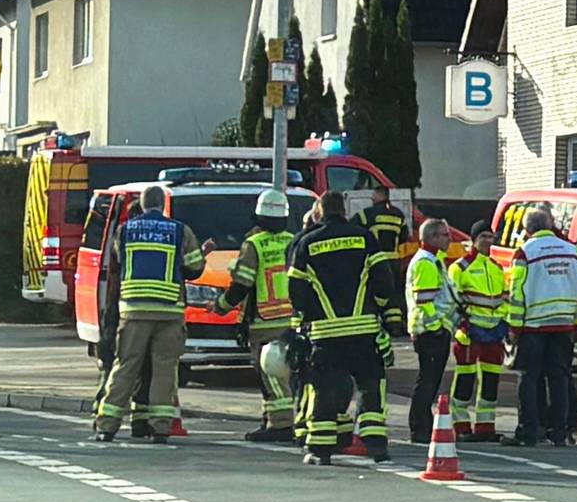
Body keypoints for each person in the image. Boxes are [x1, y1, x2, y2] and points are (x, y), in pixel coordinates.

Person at [284, 192, 394, 465]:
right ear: (343, 209)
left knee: (325, 388)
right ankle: (376, 445)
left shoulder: (307, 243)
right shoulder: (365, 238)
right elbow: (384, 280)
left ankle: (320, 450)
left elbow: (296, 290)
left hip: (325, 332)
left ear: (319, 212)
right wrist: (378, 307)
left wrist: (307, 316)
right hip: (362, 329)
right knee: (370, 385)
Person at [92, 185, 200, 443]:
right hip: (169, 311)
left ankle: (107, 425)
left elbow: (117, 260)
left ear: (141, 204)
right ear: (163, 204)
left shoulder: (125, 230)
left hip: (134, 310)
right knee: (165, 369)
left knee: (126, 366)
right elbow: (195, 267)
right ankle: (161, 428)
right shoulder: (180, 230)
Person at [217, 190, 299, 443]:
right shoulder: (293, 241)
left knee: (270, 372)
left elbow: (242, 284)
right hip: (293, 318)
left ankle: (281, 423)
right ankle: (273, 419)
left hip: (266, 320)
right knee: (289, 371)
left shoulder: (254, 244)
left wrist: (221, 306)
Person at [504, 209, 577, 446]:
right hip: (563, 324)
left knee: (528, 378)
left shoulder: (525, 252)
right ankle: (558, 432)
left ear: (528, 230)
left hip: (533, 325)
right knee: (559, 378)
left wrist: (515, 327)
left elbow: (517, 293)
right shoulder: (571, 250)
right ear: (550, 225)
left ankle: (528, 431)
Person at [350, 199, 415, 457]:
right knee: (373, 381)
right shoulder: (397, 214)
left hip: (345, 329)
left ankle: (343, 437)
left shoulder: (365, 216)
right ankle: (374, 440)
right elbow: (404, 237)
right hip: (390, 262)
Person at [449, 224, 510, 440]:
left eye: (490, 236)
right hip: (470, 332)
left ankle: (486, 427)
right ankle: (460, 425)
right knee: (465, 378)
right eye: (483, 236)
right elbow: (452, 300)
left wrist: (505, 323)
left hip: (494, 333)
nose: (488, 240)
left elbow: (504, 298)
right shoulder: (460, 267)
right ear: (474, 239)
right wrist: (462, 324)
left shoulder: (496, 267)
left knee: (491, 379)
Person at [404, 219, 461, 444]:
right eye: (446, 235)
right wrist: (437, 327)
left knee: (429, 380)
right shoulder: (426, 263)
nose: (450, 239)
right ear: (434, 237)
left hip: (432, 330)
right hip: (430, 331)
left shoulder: (432, 260)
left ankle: (422, 425)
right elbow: (425, 300)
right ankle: (420, 427)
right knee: (427, 381)